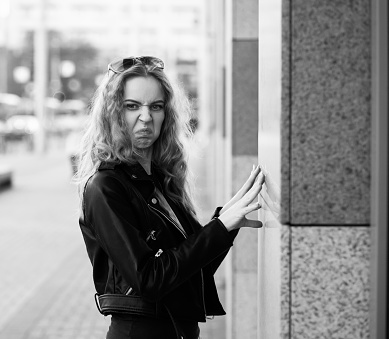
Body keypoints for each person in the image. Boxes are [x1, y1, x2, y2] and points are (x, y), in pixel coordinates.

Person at [75, 56, 265, 339]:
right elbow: (149, 279)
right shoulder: (106, 187)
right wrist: (219, 228)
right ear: (113, 113)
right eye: (131, 106)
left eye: (156, 106)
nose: (146, 117)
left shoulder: (161, 182)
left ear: (167, 114)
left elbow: (191, 271)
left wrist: (226, 224)